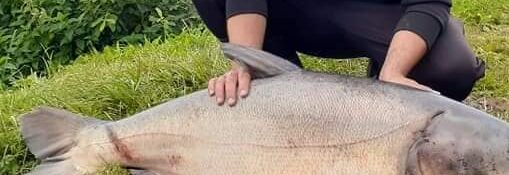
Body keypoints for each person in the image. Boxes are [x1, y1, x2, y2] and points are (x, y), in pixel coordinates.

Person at [191, 0, 486, 106]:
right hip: (295, 12)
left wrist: (393, 72)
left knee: (451, 69)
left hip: (376, 13)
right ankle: (272, 82)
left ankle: (385, 68)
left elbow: (428, 2)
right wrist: (245, 63)